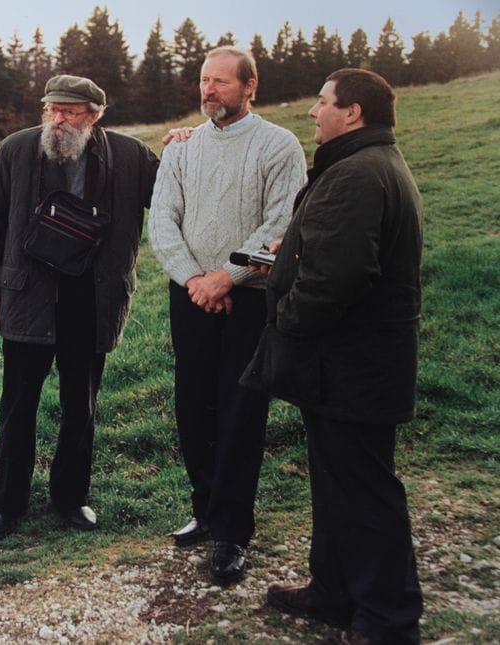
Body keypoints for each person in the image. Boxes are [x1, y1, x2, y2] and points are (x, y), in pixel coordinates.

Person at [244, 68, 424, 644]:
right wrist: (290, 251)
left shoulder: (358, 174)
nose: (313, 112)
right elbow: (334, 251)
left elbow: (337, 278)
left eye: (322, 102)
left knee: (365, 492)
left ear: (353, 113)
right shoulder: (368, 166)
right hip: (351, 369)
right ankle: (334, 592)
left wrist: (287, 318)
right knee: (338, 483)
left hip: (354, 370)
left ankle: (386, 620)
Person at [147, 46, 306, 584]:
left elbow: (281, 222)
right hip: (190, 296)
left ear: (250, 85)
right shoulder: (182, 148)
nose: (208, 90)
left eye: (220, 81)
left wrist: (227, 277)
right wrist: (195, 279)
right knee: (194, 404)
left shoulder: (278, 144)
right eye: (203, 81)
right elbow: (163, 221)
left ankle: (234, 530)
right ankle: (205, 507)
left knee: (240, 411)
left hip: (250, 298)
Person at [0, 75, 159, 541]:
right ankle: (7, 504)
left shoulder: (130, 156)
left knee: (81, 404)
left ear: (95, 115)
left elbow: (170, 196)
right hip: (29, 292)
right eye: (51, 109)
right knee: (18, 404)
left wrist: (182, 147)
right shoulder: (16, 150)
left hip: (91, 295)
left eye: (70, 111)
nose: (58, 118)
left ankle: (72, 498)